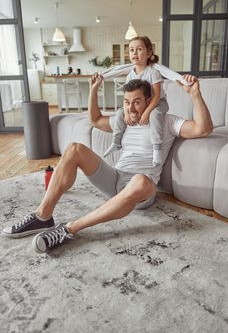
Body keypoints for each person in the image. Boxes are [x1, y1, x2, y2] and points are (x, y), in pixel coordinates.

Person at [2, 74, 213, 253]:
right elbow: (95, 120)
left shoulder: (166, 121)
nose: (131, 107)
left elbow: (203, 128)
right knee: (74, 148)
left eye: (137, 102)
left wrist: (195, 93)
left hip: (141, 189)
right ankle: (43, 216)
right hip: (115, 177)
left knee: (141, 181)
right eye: (127, 102)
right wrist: (94, 89)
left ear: (149, 101)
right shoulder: (125, 120)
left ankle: (68, 229)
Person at [103, 36, 169, 167]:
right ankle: (116, 142)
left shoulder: (153, 72)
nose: (135, 53)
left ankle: (156, 149)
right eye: (132, 50)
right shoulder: (130, 75)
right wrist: (126, 113)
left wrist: (147, 113)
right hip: (140, 104)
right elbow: (127, 98)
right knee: (120, 112)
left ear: (149, 53)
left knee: (155, 114)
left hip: (158, 103)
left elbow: (156, 96)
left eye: (139, 49)